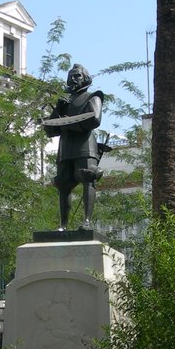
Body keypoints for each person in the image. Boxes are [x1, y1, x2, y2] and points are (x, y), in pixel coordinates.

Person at [43, 64, 104, 230]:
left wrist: (67, 123)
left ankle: (87, 221)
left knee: (88, 179)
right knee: (63, 185)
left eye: (77, 76)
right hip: (66, 148)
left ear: (85, 78)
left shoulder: (93, 97)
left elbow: (94, 119)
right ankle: (63, 225)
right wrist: (58, 109)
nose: (73, 79)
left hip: (85, 146)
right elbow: (50, 129)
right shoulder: (64, 103)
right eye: (71, 76)